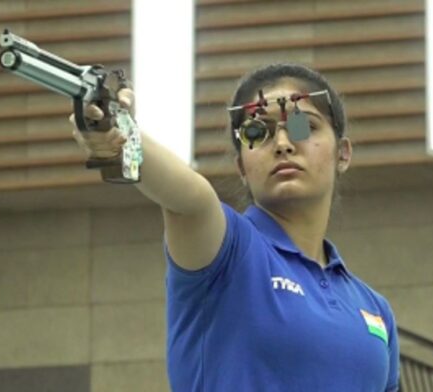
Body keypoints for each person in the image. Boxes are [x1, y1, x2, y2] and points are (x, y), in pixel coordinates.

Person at [71, 63, 400, 391]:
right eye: (258, 132)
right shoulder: (228, 250)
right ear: (241, 165)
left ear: (343, 154)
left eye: (303, 126)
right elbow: (191, 198)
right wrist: (120, 135)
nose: (283, 143)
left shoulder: (374, 308)